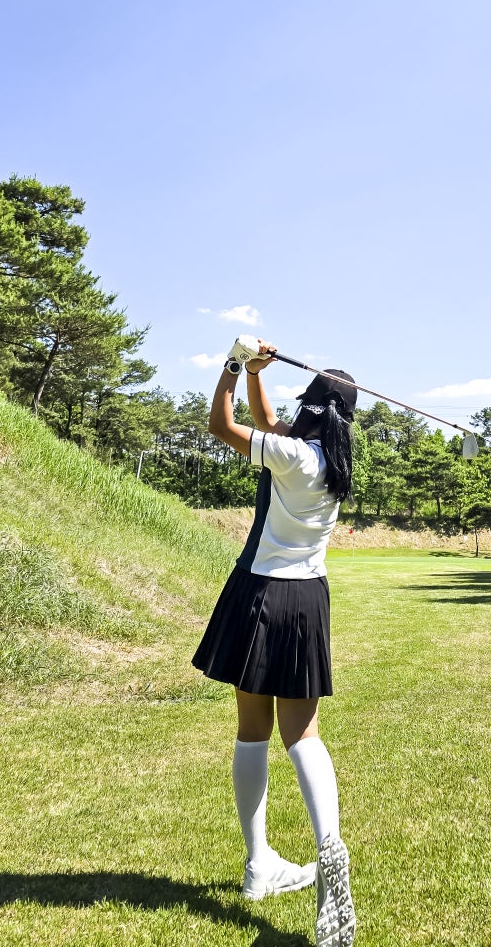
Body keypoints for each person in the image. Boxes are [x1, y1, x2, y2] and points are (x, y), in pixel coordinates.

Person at [192, 340, 357, 947]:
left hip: (262, 594)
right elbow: (266, 422)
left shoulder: (291, 456)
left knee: (253, 728)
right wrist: (259, 373)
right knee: (303, 734)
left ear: (313, 408)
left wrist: (232, 366)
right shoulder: (326, 462)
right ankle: (313, 853)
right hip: (308, 601)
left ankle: (263, 859)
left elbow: (223, 425)